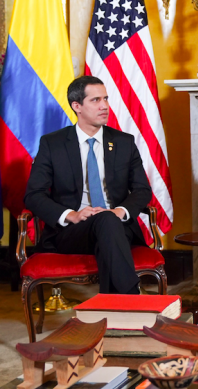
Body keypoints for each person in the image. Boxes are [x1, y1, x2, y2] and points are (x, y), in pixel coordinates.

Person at [24, 76, 152, 295]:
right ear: (77, 106)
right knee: (107, 224)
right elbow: (33, 195)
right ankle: (131, 300)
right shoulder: (52, 144)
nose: (104, 106)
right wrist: (71, 215)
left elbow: (142, 190)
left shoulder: (124, 142)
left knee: (108, 221)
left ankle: (116, 305)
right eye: (95, 100)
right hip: (72, 231)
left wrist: (118, 211)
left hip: (117, 227)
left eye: (106, 99)